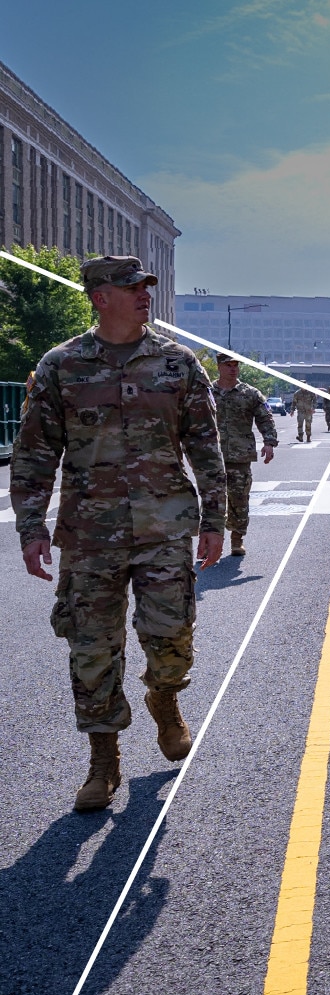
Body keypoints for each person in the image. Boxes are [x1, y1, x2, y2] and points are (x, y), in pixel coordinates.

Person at [11, 255, 226, 812]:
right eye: (130, 287)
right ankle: (103, 762)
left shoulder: (178, 364)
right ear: (99, 296)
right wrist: (30, 528)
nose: (143, 294)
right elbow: (35, 453)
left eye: (145, 286)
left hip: (164, 527)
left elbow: (206, 446)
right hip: (88, 533)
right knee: (92, 649)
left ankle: (164, 698)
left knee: (171, 637)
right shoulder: (61, 366)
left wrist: (215, 520)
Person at [211, 354, 279, 558]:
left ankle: (237, 539)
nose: (233, 369)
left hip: (239, 456)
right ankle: (213, 541)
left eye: (235, 365)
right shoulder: (205, 392)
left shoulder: (250, 394)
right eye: (228, 365)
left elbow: (265, 418)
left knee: (239, 498)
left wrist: (269, 442)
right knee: (212, 500)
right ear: (219, 367)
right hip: (210, 456)